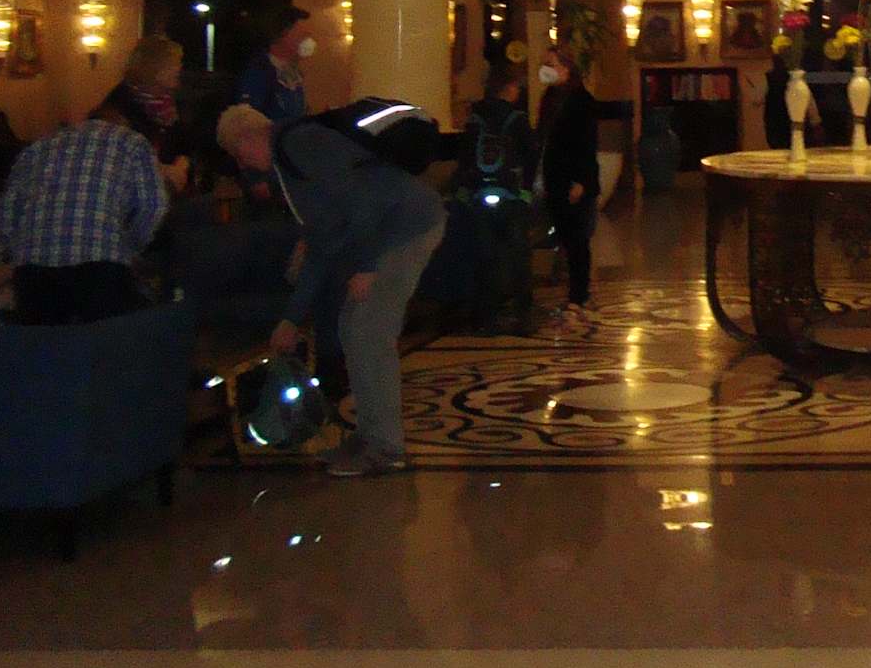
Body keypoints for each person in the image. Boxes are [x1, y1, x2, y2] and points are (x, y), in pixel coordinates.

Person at [218, 103, 444, 478]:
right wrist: (291, 319)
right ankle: (370, 436)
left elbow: (362, 199)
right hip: (393, 229)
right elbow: (322, 244)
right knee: (352, 329)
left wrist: (367, 265)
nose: (244, 165)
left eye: (238, 154)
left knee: (368, 332)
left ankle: (386, 447)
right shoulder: (291, 161)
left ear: (248, 137)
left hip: (405, 228)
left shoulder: (300, 145)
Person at [0, 113, 167, 324]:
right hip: (101, 262)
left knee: (43, 340)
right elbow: (153, 205)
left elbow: (8, 213)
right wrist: (130, 247)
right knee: (106, 338)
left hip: (33, 266)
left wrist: (14, 254)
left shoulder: (37, 147)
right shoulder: (133, 143)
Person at [456, 64, 538, 333]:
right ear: (510, 88)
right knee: (518, 257)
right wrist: (526, 190)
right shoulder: (517, 118)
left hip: (479, 195)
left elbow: (465, 157)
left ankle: (484, 318)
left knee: (484, 257)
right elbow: (531, 155)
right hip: (511, 195)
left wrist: (464, 190)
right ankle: (523, 314)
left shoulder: (474, 118)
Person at [537, 50, 600, 316]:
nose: (545, 69)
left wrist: (581, 182)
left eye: (550, 64)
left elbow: (586, 144)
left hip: (575, 180)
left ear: (566, 68)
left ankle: (579, 294)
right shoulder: (549, 99)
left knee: (577, 239)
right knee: (565, 235)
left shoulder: (582, 101)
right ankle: (575, 290)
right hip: (555, 177)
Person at [98, 34, 191, 188]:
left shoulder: (167, 105)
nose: (179, 68)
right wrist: (163, 172)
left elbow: (183, 145)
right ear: (155, 69)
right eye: (174, 64)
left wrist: (182, 163)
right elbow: (116, 160)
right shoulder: (120, 106)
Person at [236, 6, 317, 125]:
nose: (308, 41)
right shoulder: (258, 73)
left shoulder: (293, 73)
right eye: (302, 34)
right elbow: (249, 122)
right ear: (282, 35)